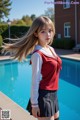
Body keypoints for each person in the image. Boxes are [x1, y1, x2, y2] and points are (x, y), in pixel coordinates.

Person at [3, 16, 62, 120]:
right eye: (43, 31)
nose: (48, 34)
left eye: (50, 30)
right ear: (36, 33)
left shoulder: (51, 49)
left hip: (54, 94)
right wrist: (34, 105)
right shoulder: (37, 54)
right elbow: (35, 81)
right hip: (44, 96)